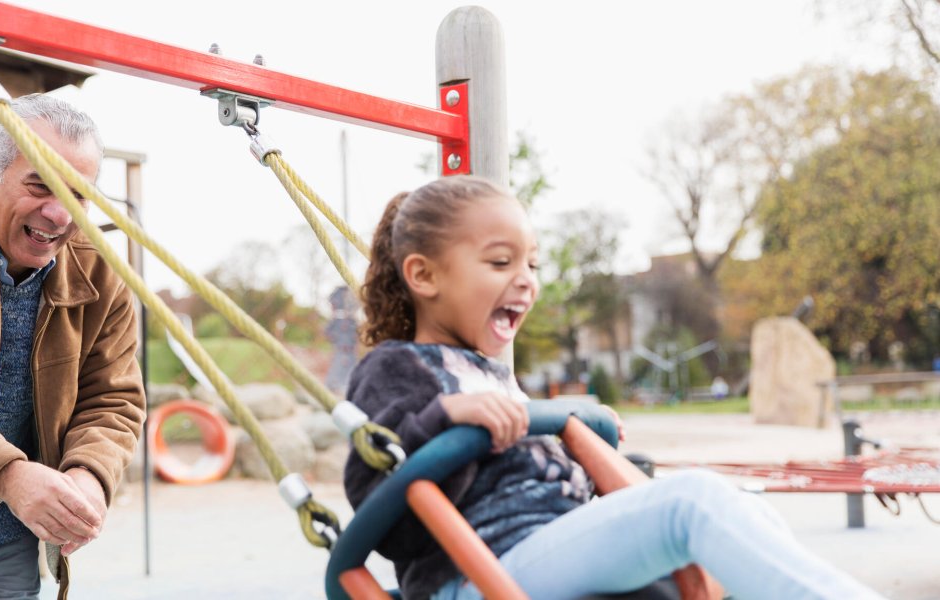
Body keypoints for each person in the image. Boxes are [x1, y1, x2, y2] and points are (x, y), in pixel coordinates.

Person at [343, 175, 885, 600]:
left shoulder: (492, 374)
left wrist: (578, 442)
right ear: (424, 276)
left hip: (549, 545)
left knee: (747, 515)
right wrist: (447, 416)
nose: (527, 278)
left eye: (532, 262)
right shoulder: (397, 366)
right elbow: (379, 498)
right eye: (500, 262)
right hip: (477, 572)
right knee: (692, 504)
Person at [0, 94, 146, 600]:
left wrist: (87, 478)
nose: (58, 214)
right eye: (39, 186)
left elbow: (114, 400)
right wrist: (9, 476)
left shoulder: (103, 273)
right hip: (7, 498)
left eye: (78, 195)